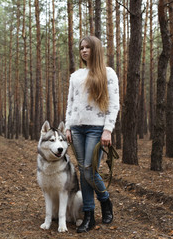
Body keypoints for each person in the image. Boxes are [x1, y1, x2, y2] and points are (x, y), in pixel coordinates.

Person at [65, 35, 119, 233]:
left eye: (88, 47)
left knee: (89, 169)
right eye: (81, 48)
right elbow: (70, 103)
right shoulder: (76, 76)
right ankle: (89, 215)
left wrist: (108, 129)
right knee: (84, 170)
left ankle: (104, 201)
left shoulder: (108, 73)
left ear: (96, 50)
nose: (84, 51)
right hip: (77, 128)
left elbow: (114, 104)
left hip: (96, 128)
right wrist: (68, 127)